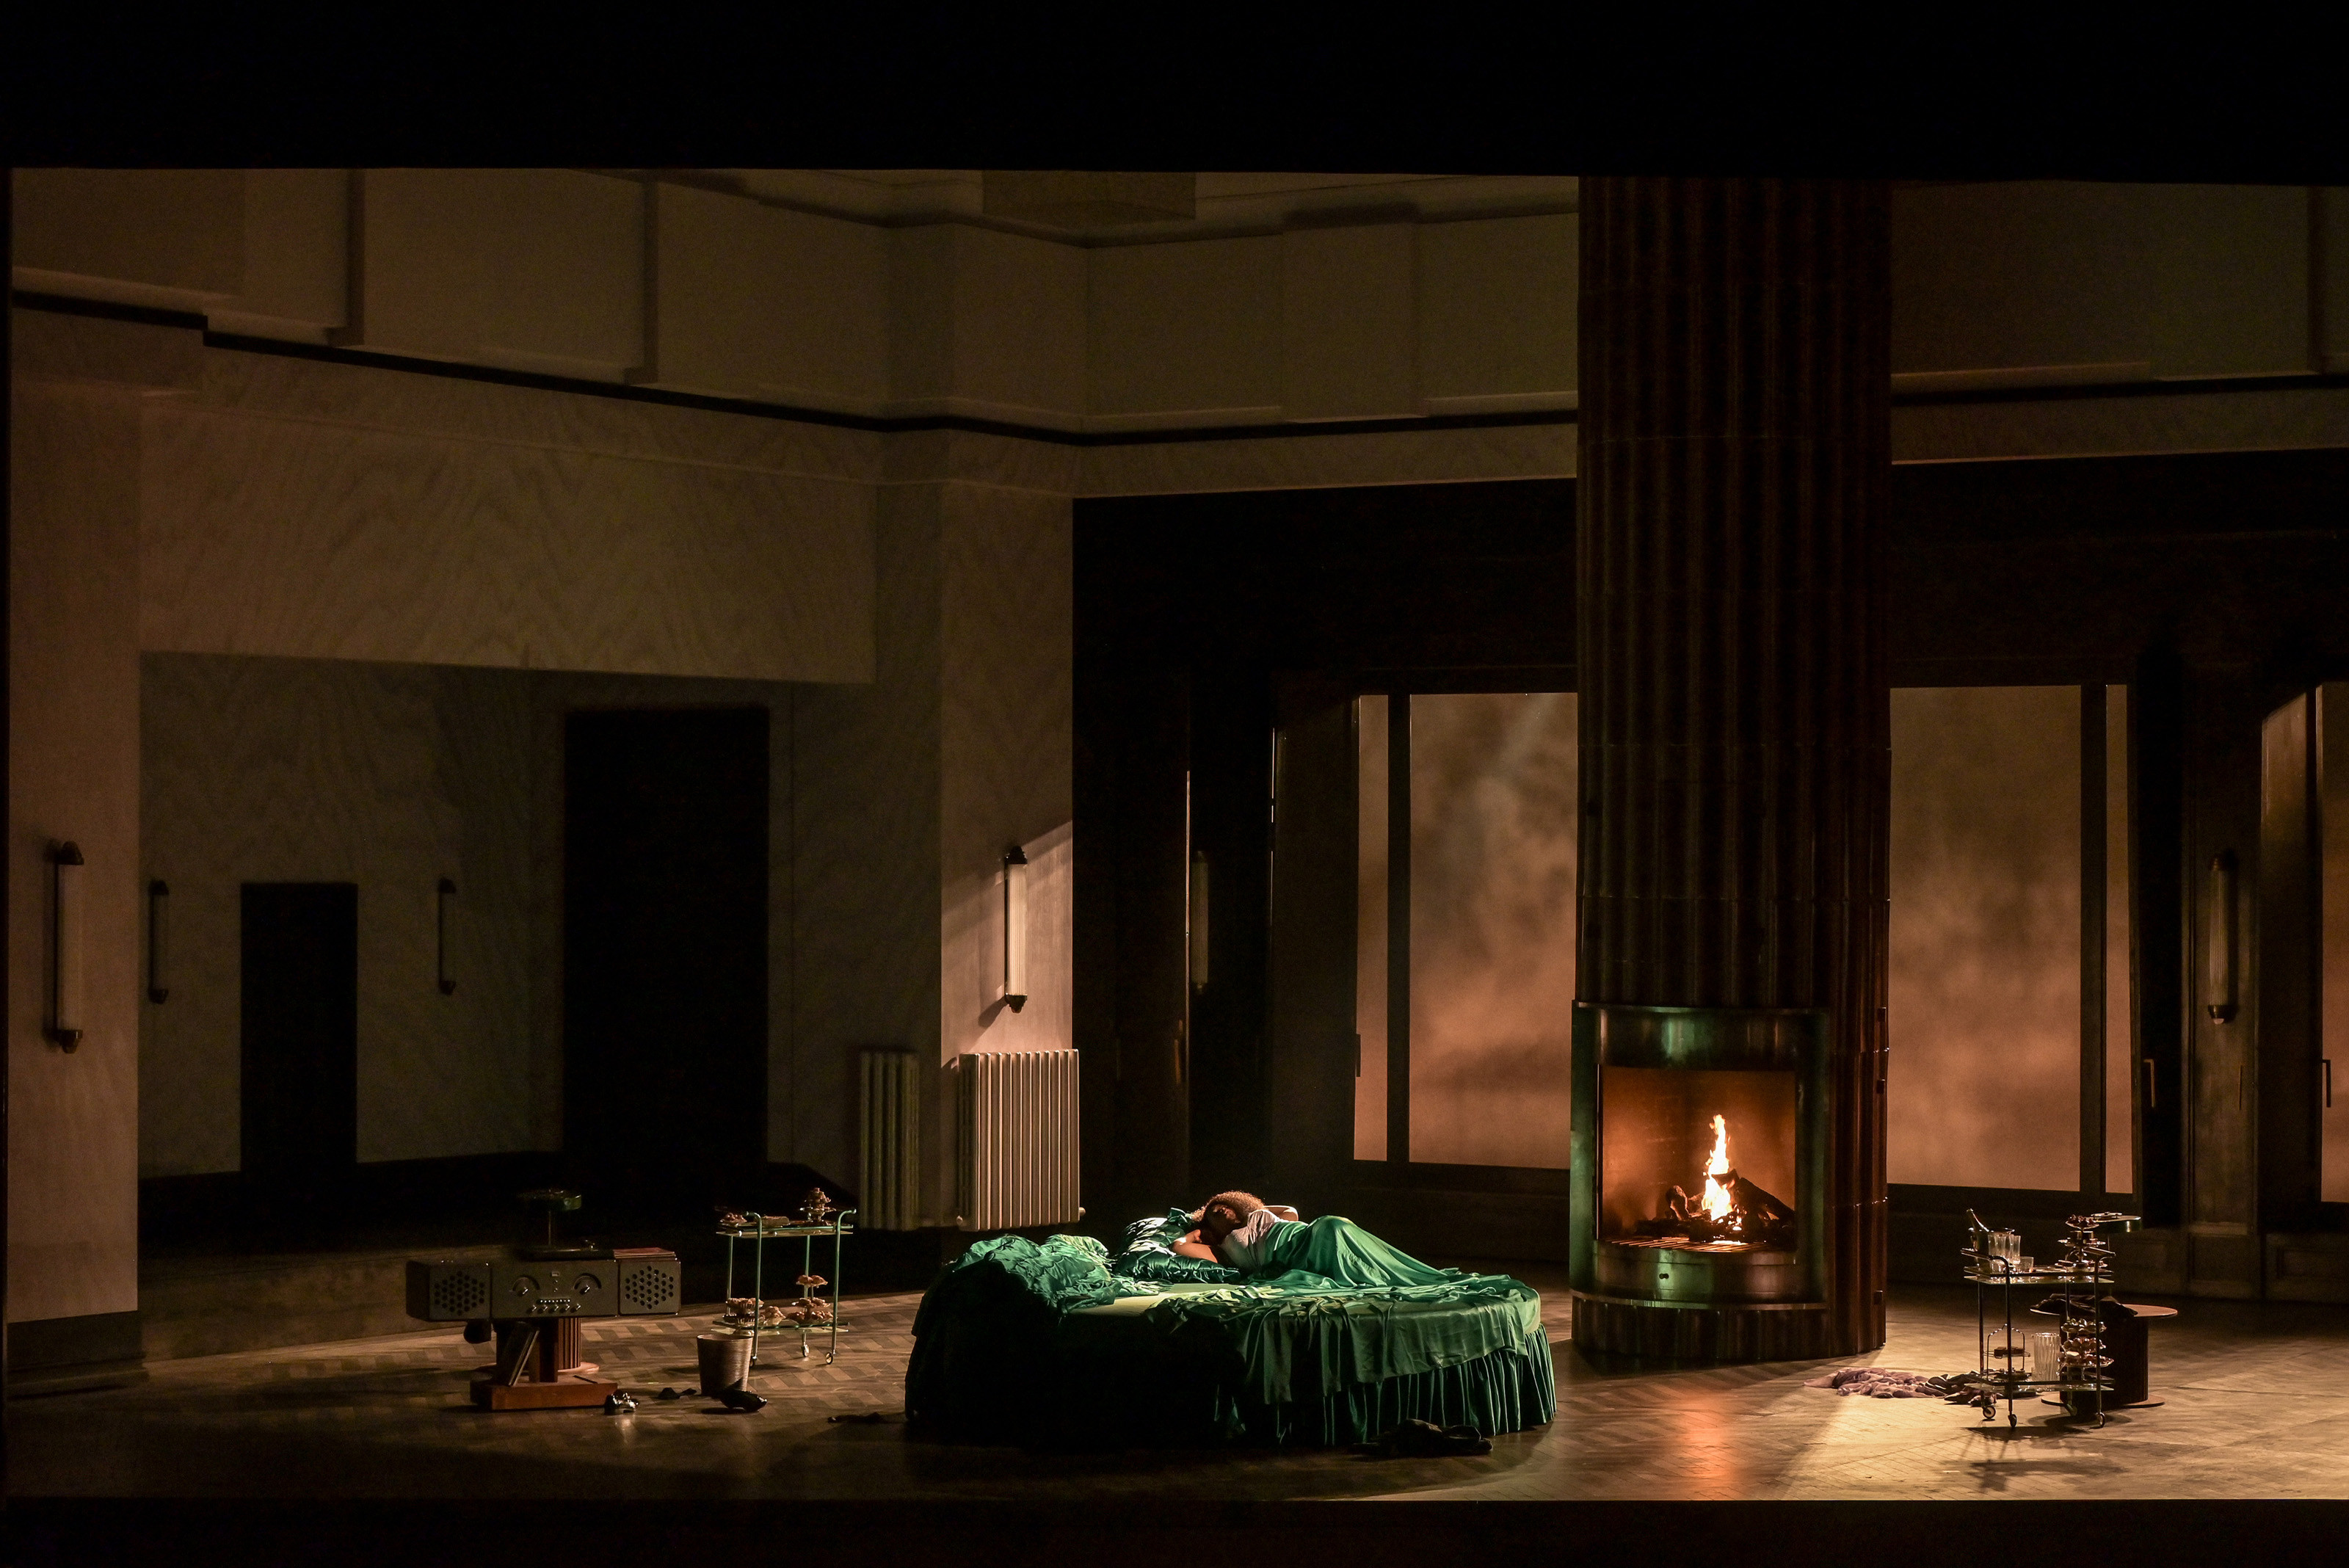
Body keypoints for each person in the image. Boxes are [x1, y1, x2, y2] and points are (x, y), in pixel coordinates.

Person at [1170, 1191, 1461, 1290]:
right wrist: (1198, 1230)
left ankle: (1409, 1276)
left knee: (1336, 1228)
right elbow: (1179, 1246)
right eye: (1213, 1213)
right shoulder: (1223, 1248)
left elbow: (1290, 1212)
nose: (1220, 1209)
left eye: (1223, 1205)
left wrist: (1252, 1208)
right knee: (1337, 1234)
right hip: (1299, 1254)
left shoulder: (1258, 1216)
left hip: (1311, 1233)